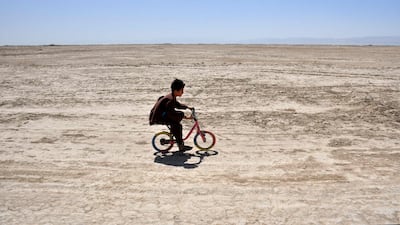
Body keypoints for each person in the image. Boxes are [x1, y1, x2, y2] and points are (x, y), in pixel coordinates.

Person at [150, 79, 193, 152]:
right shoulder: (170, 100)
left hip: (161, 115)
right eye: (181, 90)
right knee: (177, 126)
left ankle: (176, 138)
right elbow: (171, 113)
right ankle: (180, 145)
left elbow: (177, 105)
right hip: (159, 117)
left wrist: (187, 107)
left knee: (177, 122)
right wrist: (182, 116)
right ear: (176, 90)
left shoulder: (171, 96)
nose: (183, 92)